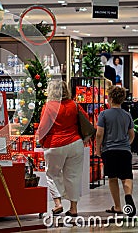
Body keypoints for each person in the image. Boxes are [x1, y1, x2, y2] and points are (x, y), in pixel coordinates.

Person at [37, 80, 84, 217]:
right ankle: (73, 208)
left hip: (55, 145)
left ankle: (58, 204)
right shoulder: (74, 105)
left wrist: (42, 142)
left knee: (52, 174)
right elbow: (85, 120)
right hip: (75, 143)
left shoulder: (49, 106)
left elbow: (43, 128)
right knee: (73, 176)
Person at [96, 85, 136, 217]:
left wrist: (98, 149)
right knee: (127, 176)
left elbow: (99, 134)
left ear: (110, 98)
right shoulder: (127, 115)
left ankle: (118, 206)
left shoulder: (104, 114)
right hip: (124, 150)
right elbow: (131, 134)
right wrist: (127, 144)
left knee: (112, 178)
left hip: (109, 150)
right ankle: (128, 195)